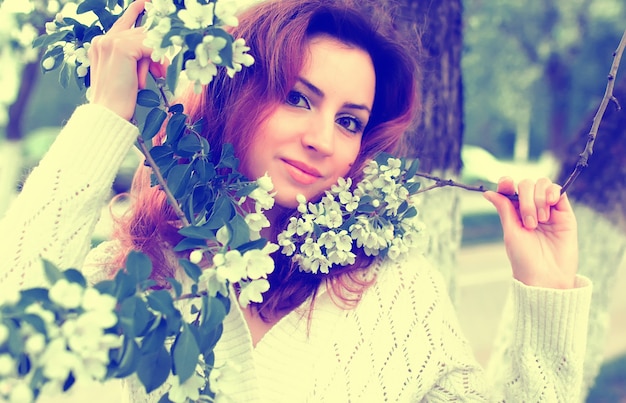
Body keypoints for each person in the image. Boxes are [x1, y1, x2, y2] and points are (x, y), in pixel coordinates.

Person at [0, 0, 592, 401]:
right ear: (236, 92)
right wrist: (105, 117)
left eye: (351, 121)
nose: (323, 140)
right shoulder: (132, 275)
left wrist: (543, 292)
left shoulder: (397, 295)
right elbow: (12, 327)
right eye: (299, 98)